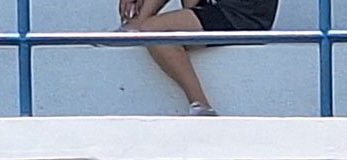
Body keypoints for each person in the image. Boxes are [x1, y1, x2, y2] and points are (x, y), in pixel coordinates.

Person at [118, 0, 279, 116]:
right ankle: (135, 25)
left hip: (242, 16)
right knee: (152, 31)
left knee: (153, 31)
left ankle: (201, 104)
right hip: (229, 10)